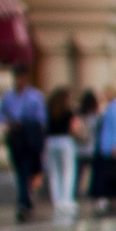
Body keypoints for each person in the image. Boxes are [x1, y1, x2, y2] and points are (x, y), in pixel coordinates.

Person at [0, 75, 46, 221]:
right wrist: (9, 123)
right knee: (21, 171)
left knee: (29, 170)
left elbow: (41, 119)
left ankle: (25, 201)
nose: (19, 81)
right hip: (16, 137)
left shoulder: (35, 96)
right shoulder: (8, 97)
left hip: (30, 136)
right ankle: (25, 202)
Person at [43, 88, 78, 218]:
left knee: (54, 172)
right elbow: (74, 127)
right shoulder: (69, 110)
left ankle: (57, 201)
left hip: (51, 141)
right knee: (68, 171)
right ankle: (66, 200)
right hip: (65, 141)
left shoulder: (49, 108)